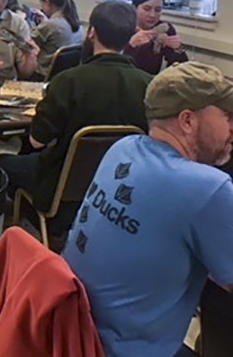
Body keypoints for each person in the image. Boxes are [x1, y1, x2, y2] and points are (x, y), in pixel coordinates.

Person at [63, 61, 233, 357]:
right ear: (188, 121)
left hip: (78, 334)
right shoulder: (206, 187)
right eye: (227, 116)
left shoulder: (123, 147)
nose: (232, 128)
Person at [0, 1, 152, 240]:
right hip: (120, 190)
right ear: (131, 35)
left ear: (92, 32)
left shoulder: (68, 81)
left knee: (4, 163)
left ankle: (20, 234)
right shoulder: (149, 85)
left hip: (60, 186)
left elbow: (37, 141)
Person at [124, 0, 188, 74]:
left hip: (152, 80)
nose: (152, 15)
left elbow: (180, 67)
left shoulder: (164, 28)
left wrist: (178, 49)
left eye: (158, 10)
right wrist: (131, 45)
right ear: (135, 8)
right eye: (147, 9)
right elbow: (117, 64)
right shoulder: (124, 27)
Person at [30, 0, 85, 78]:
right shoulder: (78, 26)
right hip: (64, 79)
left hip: (41, 77)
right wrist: (45, 21)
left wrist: (21, 20)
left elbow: (27, 44)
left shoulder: (50, 25)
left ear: (47, 2)